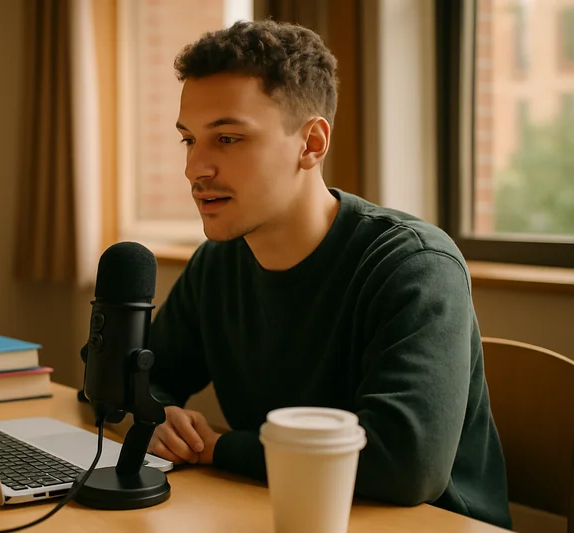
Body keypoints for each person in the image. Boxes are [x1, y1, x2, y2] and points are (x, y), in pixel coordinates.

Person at [145, 19, 512, 530]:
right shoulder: (218, 263)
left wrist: (220, 448)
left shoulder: (415, 266)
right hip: (286, 514)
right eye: (190, 140)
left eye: (227, 138)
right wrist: (154, 415)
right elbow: (139, 377)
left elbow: (405, 465)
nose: (195, 168)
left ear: (312, 143)